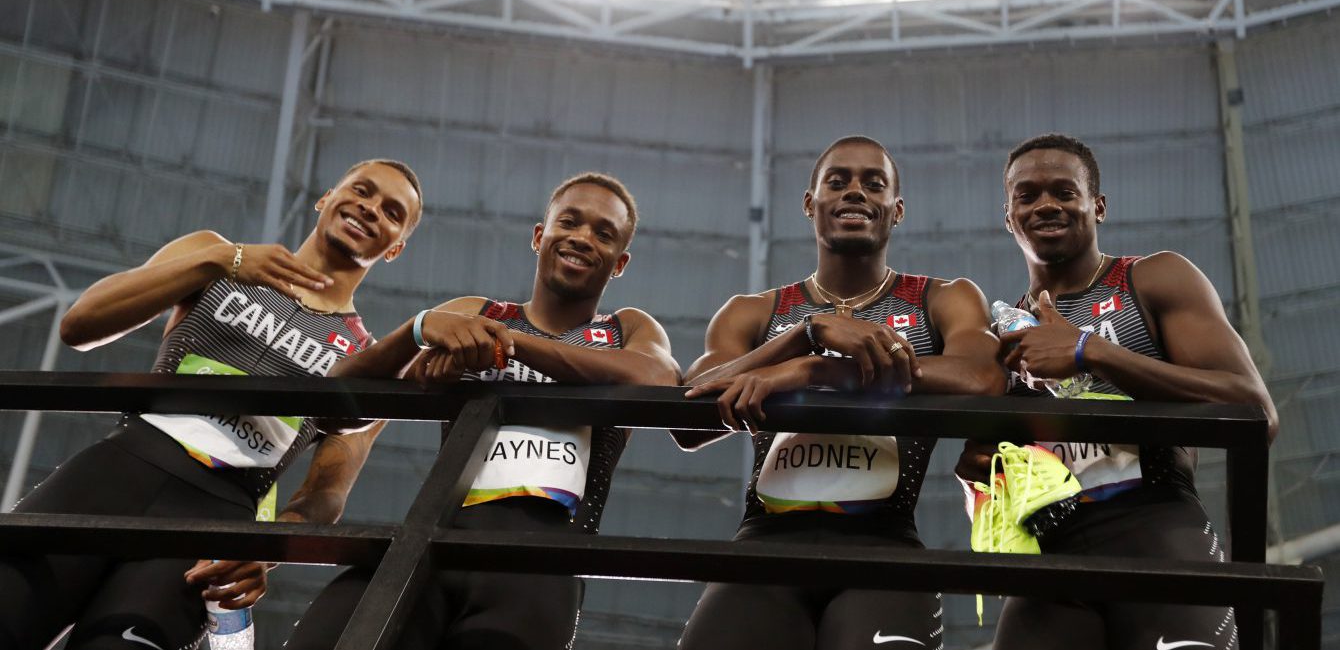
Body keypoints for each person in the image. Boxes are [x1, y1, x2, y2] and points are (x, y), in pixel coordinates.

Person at [0, 159, 424, 650]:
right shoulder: (214, 253)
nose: (370, 209)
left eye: (391, 212)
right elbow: (81, 325)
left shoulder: (367, 362)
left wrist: (266, 552)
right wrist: (227, 262)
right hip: (111, 476)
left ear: (394, 247)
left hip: (210, 525)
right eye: (362, 191)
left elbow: (325, 494)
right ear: (326, 197)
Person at [286, 172, 679, 650]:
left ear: (620, 263)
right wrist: (419, 327)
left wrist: (515, 346)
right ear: (540, 236)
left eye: (603, 233)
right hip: (427, 541)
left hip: (538, 570)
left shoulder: (626, 328)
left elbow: (657, 378)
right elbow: (334, 410)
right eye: (569, 223)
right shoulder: (476, 313)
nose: (581, 238)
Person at [675, 136, 1003, 650]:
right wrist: (804, 336)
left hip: (886, 545)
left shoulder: (941, 298)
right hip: (765, 546)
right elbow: (688, 417)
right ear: (811, 203)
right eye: (838, 181)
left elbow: (984, 381)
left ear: (897, 210)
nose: (855, 192)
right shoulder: (755, 311)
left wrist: (813, 372)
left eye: (874, 184)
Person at [956, 133, 1277, 650]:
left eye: (1064, 191)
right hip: (1051, 551)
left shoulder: (1152, 279)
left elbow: (1256, 411)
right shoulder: (1001, 336)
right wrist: (980, 472)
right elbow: (991, 460)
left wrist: (1091, 351)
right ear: (1008, 216)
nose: (1046, 205)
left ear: (1097, 206)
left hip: (1157, 525)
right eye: (1028, 195)